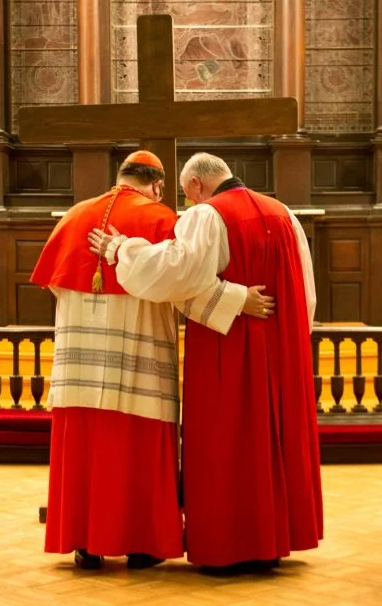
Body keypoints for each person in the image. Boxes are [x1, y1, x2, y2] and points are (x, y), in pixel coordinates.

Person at [32, 150, 274, 571]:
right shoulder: (161, 219)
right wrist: (237, 299)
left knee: (84, 449)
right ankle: (141, 545)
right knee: (135, 451)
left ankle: (86, 544)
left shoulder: (72, 218)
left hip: (79, 366)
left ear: (120, 176)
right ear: (158, 185)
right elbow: (181, 282)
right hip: (137, 356)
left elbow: (55, 285)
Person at [91, 152, 323, 573]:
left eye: (187, 196)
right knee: (269, 442)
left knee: (226, 439)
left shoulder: (206, 216)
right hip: (280, 348)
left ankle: (228, 548)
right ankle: (270, 542)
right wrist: (286, 339)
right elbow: (306, 293)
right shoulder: (284, 213)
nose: (190, 204)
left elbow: (176, 275)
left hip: (227, 347)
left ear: (196, 185)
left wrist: (120, 249)